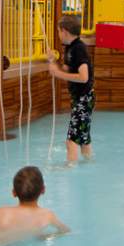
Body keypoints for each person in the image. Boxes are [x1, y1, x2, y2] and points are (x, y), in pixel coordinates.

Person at [48, 15, 95, 162]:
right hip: (81, 99)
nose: (58, 34)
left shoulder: (79, 49)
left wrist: (59, 74)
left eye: (58, 31)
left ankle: (70, 169)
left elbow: (83, 77)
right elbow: (67, 70)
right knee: (84, 139)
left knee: (71, 141)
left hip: (84, 99)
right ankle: (89, 164)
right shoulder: (70, 48)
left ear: (65, 31)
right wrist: (53, 62)